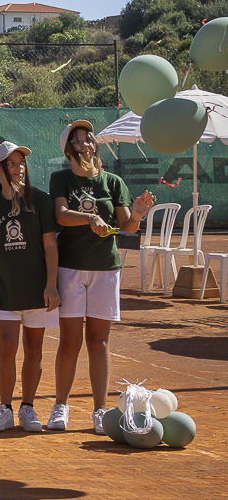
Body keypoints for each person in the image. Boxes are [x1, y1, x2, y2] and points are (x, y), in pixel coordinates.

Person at [49, 118, 153, 431]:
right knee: (70, 341)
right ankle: (60, 406)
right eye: (77, 140)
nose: (85, 144)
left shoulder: (114, 182)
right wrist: (90, 218)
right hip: (69, 269)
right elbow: (61, 215)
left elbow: (127, 228)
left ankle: (100, 411)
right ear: (68, 150)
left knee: (99, 342)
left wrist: (137, 214)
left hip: (105, 270)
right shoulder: (61, 179)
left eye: (88, 139)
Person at [0, 142, 60, 432]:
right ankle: (5, 408)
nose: (19, 168)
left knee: (34, 348)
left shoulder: (41, 200)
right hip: (6, 291)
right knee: (7, 347)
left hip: (38, 290)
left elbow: (50, 245)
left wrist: (51, 285)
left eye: (21, 162)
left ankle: (28, 407)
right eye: (12, 163)